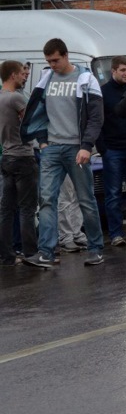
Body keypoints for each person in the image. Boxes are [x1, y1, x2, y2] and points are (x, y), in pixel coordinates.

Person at [20, 38, 105, 268]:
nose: (53, 64)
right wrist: (43, 141)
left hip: (77, 148)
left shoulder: (86, 79)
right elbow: (37, 112)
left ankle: (96, 248)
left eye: (56, 60)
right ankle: (46, 252)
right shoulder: (46, 79)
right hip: (52, 148)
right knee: (47, 200)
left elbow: (96, 117)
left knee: (86, 200)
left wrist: (87, 146)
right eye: (48, 61)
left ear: (66, 55)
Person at [97, 56, 126, 247]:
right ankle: (115, 234)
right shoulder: (103, 92)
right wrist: (102, 148)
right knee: (113, 194)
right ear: (113, 71)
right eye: (122, 70)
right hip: (112, 149)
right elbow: (97, 120)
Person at [0, 60, 38, 266]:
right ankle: (31, 253)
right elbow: (31, 122)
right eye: (21, 74)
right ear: (12, 75)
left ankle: (6, 255)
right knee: (26, 208)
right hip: (23, 156)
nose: (23, 76)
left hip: (6, 156)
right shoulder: (16, 98)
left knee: (6, 209)